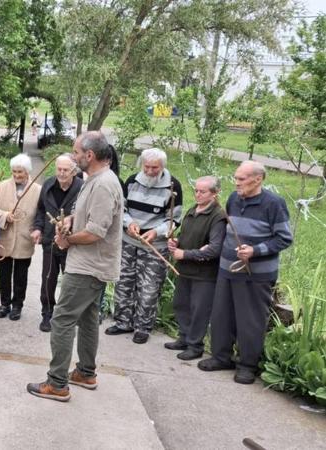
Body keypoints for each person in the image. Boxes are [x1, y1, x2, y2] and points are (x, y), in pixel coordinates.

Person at [27, 130, 124, 402]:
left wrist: (66, 240)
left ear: (90, 155)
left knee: (62, 319)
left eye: (77, 152)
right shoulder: (93, 179)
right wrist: (70, 219)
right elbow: (87, 216)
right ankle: (85, 372)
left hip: (88, 266)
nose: (74, 156)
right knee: (88, 317)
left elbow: (95, 232)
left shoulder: (104, 184)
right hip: (90, 264)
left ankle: (57, 383)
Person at [199, 161, 293, 384]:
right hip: (227, 269)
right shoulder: (233, 198)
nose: (236, 183)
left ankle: (247, 365)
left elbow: (284, 238)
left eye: (241, 179)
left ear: (257, 179)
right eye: (236, 178)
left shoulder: (274, 204)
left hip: (255, 274)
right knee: (221, 315)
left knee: (250, 320)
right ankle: (221, 357)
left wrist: (256, 250)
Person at [106, 148, 183, 344]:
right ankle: (123, 321)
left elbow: (174, 219)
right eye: (146, 167)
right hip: (129, 240)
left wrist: (156, 231)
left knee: (148, 287)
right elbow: (122, 209)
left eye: (154, 168)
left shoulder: (173, 187)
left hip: (154, 244)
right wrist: (128, 222)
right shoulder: (132, 181)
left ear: (163, 167)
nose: (149, 171)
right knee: (124, 282)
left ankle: (143, 327)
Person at [165, 176, 227, 360]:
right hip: (185, 270)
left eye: (203, 191)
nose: (198, 194)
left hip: (205, 274)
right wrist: (176, 242)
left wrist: (185, 254)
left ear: (215, 194)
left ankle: (195, 345)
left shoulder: (218, 216)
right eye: (196, 191)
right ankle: (183, 338)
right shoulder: (192, 210)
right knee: (181, 305)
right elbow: (187, 235)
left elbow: (214, 249)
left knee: (199, 310)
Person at [31, 154, 84, 331]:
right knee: (48, 278)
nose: (61, 173)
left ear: (74, 171)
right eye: (59, 169)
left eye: (65, 170)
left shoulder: (82, 188)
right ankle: (47, 313)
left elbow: (87, 215)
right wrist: (37, 228)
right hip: (49, 240)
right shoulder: (48, 184)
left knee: (71, 281)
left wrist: (71, 222)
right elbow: (40, 209)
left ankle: (68, 315)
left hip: (73, 242)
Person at [0, 154, 40, 322]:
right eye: (14, 172)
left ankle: (17, 305)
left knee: (21, 275)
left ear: (27, 171)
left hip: (24, 239)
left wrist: (37, 230)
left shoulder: (37, 189)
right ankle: (4, 304)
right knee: (4, 274)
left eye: (20, 172)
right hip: (4, 238)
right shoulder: (3, 186)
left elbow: (40, 214)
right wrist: (5, 216)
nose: (17, 175)